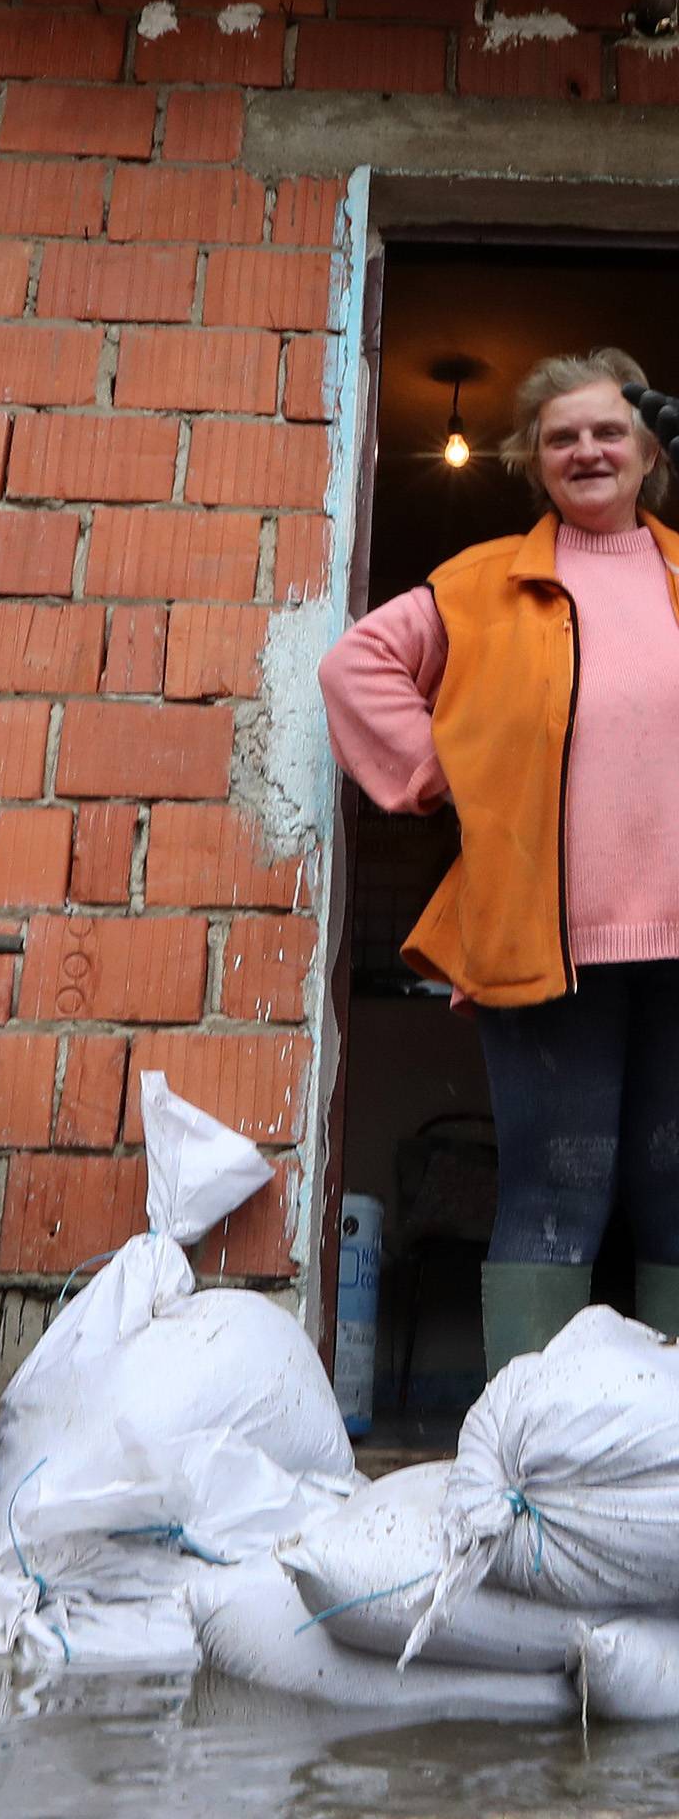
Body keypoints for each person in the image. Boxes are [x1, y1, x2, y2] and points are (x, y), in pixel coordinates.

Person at [320, 346, 679, 1377]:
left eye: (610, 429)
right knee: (557, 1192)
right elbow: (357, 664)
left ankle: (653, 1480)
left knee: (676, 1194)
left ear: (650, 449)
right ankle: (534, 1464)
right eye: (562, 435)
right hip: (545, 940)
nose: (587, 449)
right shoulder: (484, 584)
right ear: (534, 459)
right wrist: (439, 771)